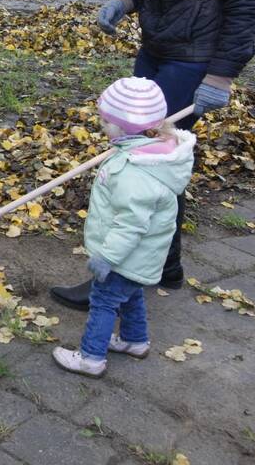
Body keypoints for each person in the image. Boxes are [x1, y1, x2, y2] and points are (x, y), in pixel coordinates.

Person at [50, 0, 255, 311]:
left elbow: (248, 2)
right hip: (157, 50)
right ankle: (165, 270)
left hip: (195, 60)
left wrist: (221, 75)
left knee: (141, 166)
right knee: (159, 164)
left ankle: (120, 280)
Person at [52, 77, 195, 377]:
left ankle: (91, 357)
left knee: (103, 301)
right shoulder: (150, 152)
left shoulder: (136, 173)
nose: (102, 126)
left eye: (106, 121)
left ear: (125, 127)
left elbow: (131, 225)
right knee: (131, 294)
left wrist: (108, 258)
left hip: (124, 255)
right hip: (141, 256)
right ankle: (135, 341)